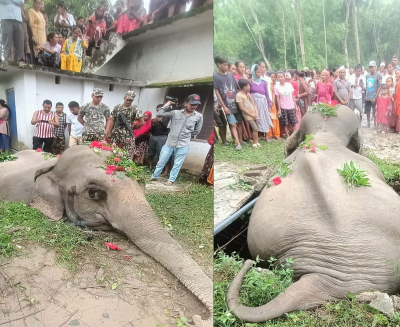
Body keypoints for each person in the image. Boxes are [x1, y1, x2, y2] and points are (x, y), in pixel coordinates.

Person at [151, 95, 203, 186]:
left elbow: (197, 130)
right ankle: (154, 176)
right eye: (191, 104)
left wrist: (186, 136)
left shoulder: (199, 116)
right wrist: (168, 103)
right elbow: (159, 114)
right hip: (170, 142)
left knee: (177, 164)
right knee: (161, 160)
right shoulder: (175, 113)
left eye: (196, 105)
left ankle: (171, 180)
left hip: (183, 144)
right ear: (186, 104)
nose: (193, 106)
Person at [214, 55, 243, 150]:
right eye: (225, 65)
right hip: (227, 105)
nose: (227, 67)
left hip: (236, 104)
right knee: (233, 124)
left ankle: (240, 140)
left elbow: (237, 87)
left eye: (227, 65)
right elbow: (217, 92)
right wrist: (224, 106)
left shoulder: (230, 75)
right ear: (218, 64)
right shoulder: (215, 76)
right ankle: (238, 144)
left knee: (239, 123)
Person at [107, 91, 141, 158]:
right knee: (112, 151)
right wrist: (109, 132)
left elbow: (142, 122)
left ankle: (124, 167)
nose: (128, 102)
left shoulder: (134, 109)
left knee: (127, 155)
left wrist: (133, 127)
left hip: (127, 135)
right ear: (124, 98)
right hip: (116, 133)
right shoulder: (117, 107)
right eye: (127, 99)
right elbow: (112, 120)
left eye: (131, 100)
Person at [249, 64, 272, 142]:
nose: (259, 74)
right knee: (257, 118)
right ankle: (258, 135)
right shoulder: (250, 82)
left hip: (263, 103)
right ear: (253, 72)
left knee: (265, 118)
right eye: (257, 72)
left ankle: (266, 136)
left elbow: (267, 94)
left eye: (260, 72)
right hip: (254, 104)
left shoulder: (264, 82)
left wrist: (269, 105)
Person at [0, 0, 25, 65]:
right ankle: (7, 61)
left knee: (20, 42)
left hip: (18, 19)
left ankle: (21, 61)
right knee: (7, 42)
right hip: (6, 18)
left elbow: (21, 2)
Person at [148, 104, 172, 173]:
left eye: (160, 110)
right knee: (151, 152)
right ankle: (150, 166)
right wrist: (153, 124)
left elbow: (166, 129)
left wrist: (160, 122)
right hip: (153, 136)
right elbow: (151, 130)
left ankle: (160, 169)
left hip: (162, 137)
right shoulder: (154, 119)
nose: (158, 112)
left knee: (161, 153)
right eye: (157, 110)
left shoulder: (168, 118)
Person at [237, 79, 260, 148]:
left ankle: (256, 142)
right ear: (244, 87)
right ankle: (255, 143)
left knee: (256, 128)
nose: (250, 87)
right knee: (255, 128)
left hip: (254, 113)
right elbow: (241, 108)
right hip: (248, 115)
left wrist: (256, 112)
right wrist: (251, 115)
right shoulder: (239, 95)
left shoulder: (248, 94)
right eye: (248, 86)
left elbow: (253, 103)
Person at [274, 71, 297, 138]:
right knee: (285, 123)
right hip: (283, 107)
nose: (280, 78)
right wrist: (279, 109)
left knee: (293, 122)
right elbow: (277, 98)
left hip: (291, 106)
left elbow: (292, 96)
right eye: (279, 77)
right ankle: (287, 135)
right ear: (277, 78)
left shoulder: (289, 85)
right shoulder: (276, 87)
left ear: (284, 77)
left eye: (281, 76)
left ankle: (294, 134)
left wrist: (295, 105)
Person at [365, 61, 382, 128]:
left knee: (375, 111)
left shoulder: (378, 75)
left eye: (372, 67)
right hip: (368, 96)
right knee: (367, 111)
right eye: (370, 67)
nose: (371, 68)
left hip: (374, 96)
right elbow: (367, 86)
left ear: (375, 67)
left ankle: (375, 124)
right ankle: (368, 124)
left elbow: (379, 86)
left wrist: (376, 96)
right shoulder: (367, 75)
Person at [267, 72, 280, 139]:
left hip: (273, 103)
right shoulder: (267, 83)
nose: (273, 78)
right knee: (269, 118)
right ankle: (269, 134)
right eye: (272, 77)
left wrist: (273, 102)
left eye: (274, 77)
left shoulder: (277, 84)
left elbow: (273, 94)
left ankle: (276, 134)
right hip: (268, 103)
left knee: (274, 119)